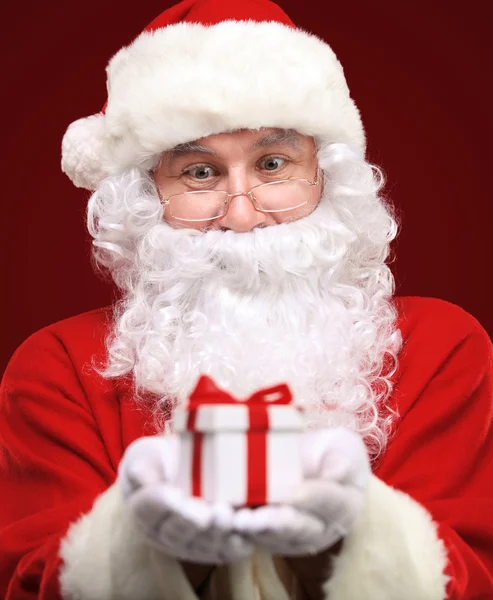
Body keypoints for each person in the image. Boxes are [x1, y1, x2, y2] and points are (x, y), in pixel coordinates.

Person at [1, 0, 492, 598]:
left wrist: (346, 537)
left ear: (327, 176)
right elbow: (30, 580)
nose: (241, 215)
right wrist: (152, 546)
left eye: (273, 163)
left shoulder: (442, 347)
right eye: (199, 173)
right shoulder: (57, 368)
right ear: (145, 197)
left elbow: (471, 573)